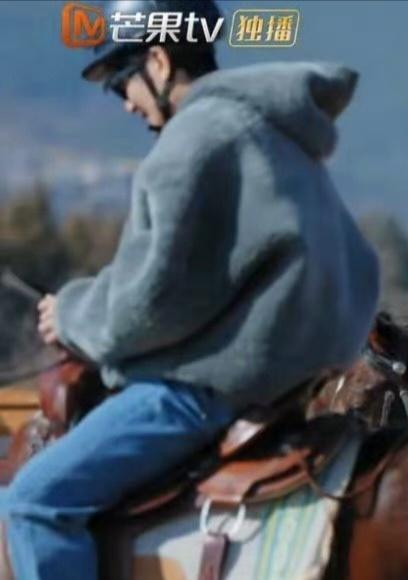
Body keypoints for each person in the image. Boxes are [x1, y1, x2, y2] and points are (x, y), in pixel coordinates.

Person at [1, 1, 380, 577]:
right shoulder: (276, 133)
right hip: (293, 381)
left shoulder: (192, 141)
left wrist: (72, 315)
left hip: (201, 389)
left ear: (157, 61)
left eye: (121, 81)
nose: (125, 101)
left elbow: (150, 302)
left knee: (33, 504)